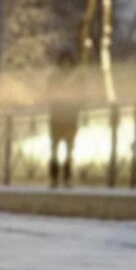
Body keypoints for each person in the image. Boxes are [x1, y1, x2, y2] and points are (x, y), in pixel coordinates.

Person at [46, 49, 81, 187]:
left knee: (69, 148)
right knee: (54, 147)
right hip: (57, 116)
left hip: (70, 116)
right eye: (64, 62)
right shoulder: (53, 78)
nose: (66, 65)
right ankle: (54, 176)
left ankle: (67, 175)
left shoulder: (77, 78)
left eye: (68, 62)